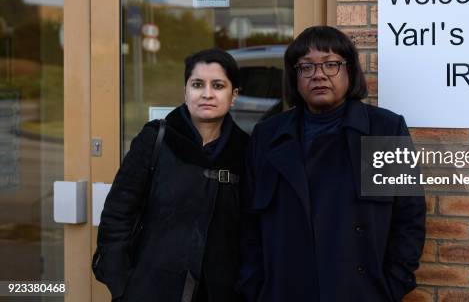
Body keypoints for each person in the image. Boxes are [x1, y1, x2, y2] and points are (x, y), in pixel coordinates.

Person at [238, 26, 426, 302]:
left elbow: (409, 218)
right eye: (306, 67)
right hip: (283, 290)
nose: (319, 75)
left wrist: (390, 286)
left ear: (349, 71)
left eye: (331, 64)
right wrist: (255, 285)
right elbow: (248, 223)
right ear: (295, 76)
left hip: (358, 291)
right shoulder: (268, 135)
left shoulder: (382, 129)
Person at [93, 49, 249, 302]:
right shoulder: (155, 139)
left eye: (218, 85)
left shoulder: (246, 150)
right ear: (185, 91)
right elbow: (117, 214)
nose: (207, 94)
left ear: (233, 96)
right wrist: (122, 283)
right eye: (197, 84)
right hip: (149, 289)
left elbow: (252, 229)